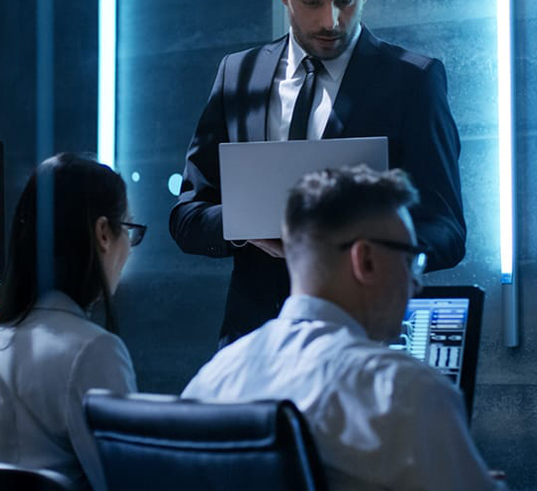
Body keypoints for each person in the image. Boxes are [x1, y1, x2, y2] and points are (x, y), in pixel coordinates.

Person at [169, 0, 466, 347]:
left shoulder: (412, 82)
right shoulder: (238, 75)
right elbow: (187, 215)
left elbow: (447, 231)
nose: (331, 21)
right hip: (253, 343)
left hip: (361, 344)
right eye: (311, 2)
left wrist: (365, 250)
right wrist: (246, 225)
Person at [182, 166, 505, 491]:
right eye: (410, 260)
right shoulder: (405, 390)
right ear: (364, 260)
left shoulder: (213, 378)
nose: (415, 283)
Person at [0, 153, 146, 491]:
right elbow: (127, 482)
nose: (129, 249)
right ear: (103, 232)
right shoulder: (93, 350)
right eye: (129, 229)